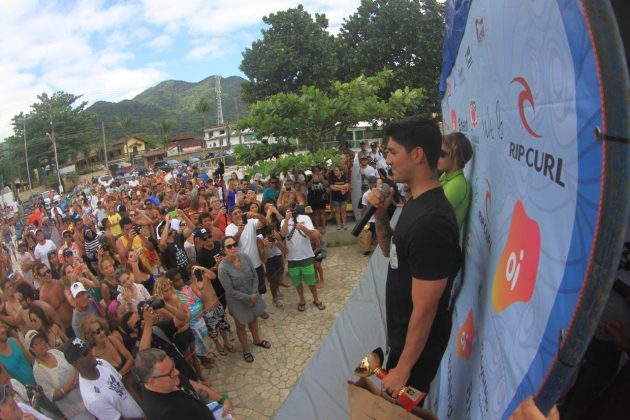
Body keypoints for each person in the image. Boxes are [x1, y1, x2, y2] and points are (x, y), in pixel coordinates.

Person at [366, 116, 461, 398]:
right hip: (402, 338)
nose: (388, 160)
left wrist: (404, 368)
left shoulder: (432, 222)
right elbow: (390, 252)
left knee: (400, 412)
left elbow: (426, 309)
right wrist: (382, 215)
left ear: (417, 154)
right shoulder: (414, 202)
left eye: (393, 152)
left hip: (416, 353)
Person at [134, 348, 234, 420]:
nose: (177, 372)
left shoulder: (168, 375)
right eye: (171, 372)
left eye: (173, 366)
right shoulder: (164, 414)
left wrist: (222, 399)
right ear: (152, 381)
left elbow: (191, 384)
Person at [218, 236, 271, 363]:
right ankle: (246, 350)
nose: (233, 248)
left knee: (253, 319)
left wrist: (254, 292)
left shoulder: (245, 257)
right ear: (223, 250)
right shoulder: (223, 268)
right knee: (241, 325)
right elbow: (229, 290)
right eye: (229, 246)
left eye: (234, 244)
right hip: (237, 301)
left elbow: (254, 275)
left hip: (252, 294)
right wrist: (249, 297)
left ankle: (257, 340)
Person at [63, 338, 144, 419]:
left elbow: (125, 386)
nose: (91, 353)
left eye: (89, 348)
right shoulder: (92, 399)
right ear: (76, 363)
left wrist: (145, 408)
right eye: (85, 353)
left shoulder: (101, 363)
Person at [26, 330, 93, 420]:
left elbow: (72, 362)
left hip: (87, 393)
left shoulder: (54, 352)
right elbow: (51, 396)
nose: (41, 344)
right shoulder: (38, 371)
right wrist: (68, 387)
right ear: (32, 350)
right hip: (75, 410)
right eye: (36, 344)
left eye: (41, 341)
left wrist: (77, 374)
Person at [280, 205, 325, 312]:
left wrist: (303, 228)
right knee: (297, 282)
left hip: (305, 256)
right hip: (292, 258)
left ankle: (316, 299)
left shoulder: (305, 218)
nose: (290, 211)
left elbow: (312, 235)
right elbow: (282, 234)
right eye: (288, 210)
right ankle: (302, 300)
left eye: (291, 209)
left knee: (311, 281)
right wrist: (286, 219)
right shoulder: (283, 221)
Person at [437, 132, 473, 228]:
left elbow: (432, 214)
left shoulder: (457, 184)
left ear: (456, 158)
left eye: (441, 154)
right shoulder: (446, 176)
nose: (436, 156)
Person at [0, 322, 35, 386]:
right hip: (26, 392)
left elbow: (31, 360)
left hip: (38, 381)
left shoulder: (14, 341)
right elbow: (9, 380)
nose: (3, 330)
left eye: (2, 327)